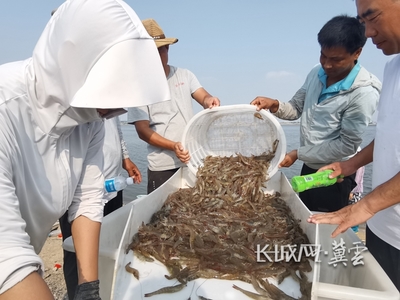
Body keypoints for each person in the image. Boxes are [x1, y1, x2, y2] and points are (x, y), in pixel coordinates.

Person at [0, 0, 169, 299]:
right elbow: (7, 256)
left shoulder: (90, 120)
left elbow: (88, 199)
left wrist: (89, 287)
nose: (119, 109)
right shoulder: (7, 108)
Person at [308, 0, 400, 291]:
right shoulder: (393, 67)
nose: (369, 32)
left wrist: (366, 204)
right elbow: (388, 136)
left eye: (372, 17)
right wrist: (350, 164)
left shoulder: (365, 88)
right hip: (380, 225)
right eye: (363, 22)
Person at [251, 15, 380, 213]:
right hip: (310, 165)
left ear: (357, 53)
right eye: (323, 56)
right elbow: (296, 108)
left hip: (335, 173)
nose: (327, 65)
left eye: (336, 59)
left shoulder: (363, 93)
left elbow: (347, 145)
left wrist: (298, 153)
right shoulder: (316, 73)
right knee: (305, 217)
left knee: (325, 226)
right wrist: (274, 105)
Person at [128, 18, 220, 194]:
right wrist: (173, 146)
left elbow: (204, 96)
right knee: (162, 216)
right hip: (162, 166)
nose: (155, 57)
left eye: (159, 50)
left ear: (167, 48)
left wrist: (209, 100)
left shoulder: (184, 75)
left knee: (195, 210)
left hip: (193, 160)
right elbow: (142, 130)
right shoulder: (137, 86)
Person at [59, 116, 142, 300]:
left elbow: (114, 125)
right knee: (76, 254)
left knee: (109, 245)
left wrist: (125, 157)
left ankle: (102, 290)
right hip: (76, 189)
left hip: (113, 183)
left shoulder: (106, 113)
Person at [348, 164, 365, 232]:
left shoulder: (359, 165)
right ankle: (354, 230)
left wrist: (351, 191)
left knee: (352, 212)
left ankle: (353, 230)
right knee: (353, 212)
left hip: (355, 191)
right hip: (357, 190)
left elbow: (357, 178)